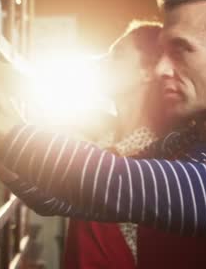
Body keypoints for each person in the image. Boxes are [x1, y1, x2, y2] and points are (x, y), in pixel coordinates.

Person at [0, 0, 206, 237]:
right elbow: (55, 195)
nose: (161, 69)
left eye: (182, 49)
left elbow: (113, 180)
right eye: (163, 52)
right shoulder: (185, 143)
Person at [63, 21, 165, 269]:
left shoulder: (157, 157)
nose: (101, 63)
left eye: (116, 55)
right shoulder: (105, 139)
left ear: (148, 71)